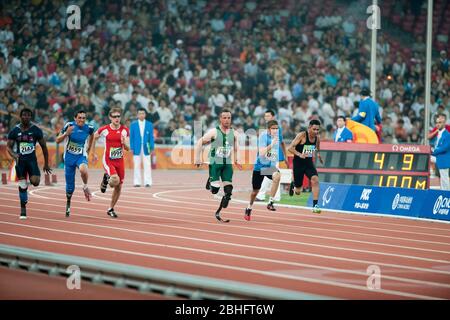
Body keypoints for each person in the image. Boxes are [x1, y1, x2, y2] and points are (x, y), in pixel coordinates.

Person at [194, 109, 242, 222]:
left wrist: (237, 159)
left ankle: (219, 211)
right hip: (215, 164)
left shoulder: (235, 133)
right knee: (215, 190)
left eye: (229, 118)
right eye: (224, 118)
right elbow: (200, 142)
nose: (226, 120)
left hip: (227, 164)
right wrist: (197, 158)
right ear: (220, 119)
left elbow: (236, 148)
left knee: (228, 190)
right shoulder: (214, 132)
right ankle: (211, 181)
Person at [6, 108, 52, 220]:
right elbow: (9, 147)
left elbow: (44, 147)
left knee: (35, 182)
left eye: (28, 115)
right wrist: (14, 155)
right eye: (24, 115)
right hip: (20, 161)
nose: (26, 117)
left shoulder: (36, 130)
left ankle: (25, 188)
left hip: (32, 161)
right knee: (22, 184)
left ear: (31, 117)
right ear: (20, 116)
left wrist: (46, 164)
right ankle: (23, 209)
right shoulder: (14, 131)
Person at [91, 107, 130, 218]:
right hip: (108, 160)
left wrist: (124, 143)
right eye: (114, 116)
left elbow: (127, 148)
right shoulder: (105, 129)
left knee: (119, 186)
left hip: (120, 161)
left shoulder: (125, 130)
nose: (117, 118)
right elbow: (93, 137)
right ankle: (107, 177)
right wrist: (93, 153)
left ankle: (110, 208)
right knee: (115, 180)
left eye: (118, 116)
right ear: (110, 118)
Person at [55, 110, 94, 217]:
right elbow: (57, 140)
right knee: (70, 187)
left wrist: (89, 148)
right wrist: (66, 134)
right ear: (75, 118)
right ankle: (68, 203)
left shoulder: (89, 127)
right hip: (69, 158)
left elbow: (92, 135)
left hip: (80, 156)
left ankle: (85, 186)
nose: (82, 120)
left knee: (83, 169)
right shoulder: (69, 126)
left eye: (84, 118)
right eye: (80, 118)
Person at [245, 120, 282, 221]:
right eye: (273, 128)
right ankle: (249, 207)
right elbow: (261, 152)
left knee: (277, 176)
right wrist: (272, 144)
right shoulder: (263, 137)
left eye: (276, 128)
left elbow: (274, 154)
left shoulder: (277, 138)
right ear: (269, 129)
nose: (275, 130)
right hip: (259, 167)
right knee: (255, 191)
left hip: (269, 167)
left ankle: (270, 202)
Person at [287, 119, 324, 213]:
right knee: (298, 192)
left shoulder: (317, 138)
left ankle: (315, 205)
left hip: (308, 163)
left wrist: (319, 154)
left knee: (315, 179)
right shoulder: (302, 136)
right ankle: (294, 184)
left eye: (317, 130)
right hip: (298, 164)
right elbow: (290, 148)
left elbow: (317, 148)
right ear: (309, 128)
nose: (316, 132)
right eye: (314, 129)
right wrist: (300, 154)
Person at [255, 109, 289, 202]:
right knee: (273, 176)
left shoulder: (277, 129)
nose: (266, 118)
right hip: (266, 156)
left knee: (269, 175)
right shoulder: (265, 130)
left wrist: (285, 156)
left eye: (268, 116)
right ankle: (275, 197)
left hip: (274, 156)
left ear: (273, 117)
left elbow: (282, 142)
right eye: (265, 116)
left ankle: (262, 195)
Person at [130, 107, 155, 187]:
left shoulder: (149, 124)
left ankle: (148, 182)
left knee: (147, 164)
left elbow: (151, 137)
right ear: (137, 115)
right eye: (140, 113)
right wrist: (132, 147)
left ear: (145, 115)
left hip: (146, 146)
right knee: (136, 165)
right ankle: (137, 182)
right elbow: (131, 137)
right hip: (136, 147)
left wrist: (152, 147)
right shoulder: (133, 125)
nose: (141, 115)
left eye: (143, 113)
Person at [432, 114, 450, 190]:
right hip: (438, 158)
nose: (438, 124)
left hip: (444, 159)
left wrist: (434, 151)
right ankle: (443, 191)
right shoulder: (438, 134)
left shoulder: (447, 135)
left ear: (444, 123)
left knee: (444, 178)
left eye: (440, 122)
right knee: (442, 177)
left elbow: (445, 148)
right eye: (437, 123)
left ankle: (446, 194)